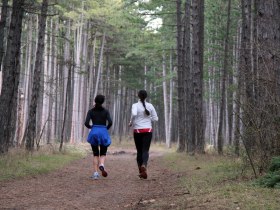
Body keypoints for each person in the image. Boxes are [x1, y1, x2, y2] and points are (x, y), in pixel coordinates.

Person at [129, 90, 158, 179]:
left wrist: (131, 122)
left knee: (139, 151)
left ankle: (141, 171)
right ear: (146, 97)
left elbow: (134, 114)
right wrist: (149, 119)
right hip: (148, 130)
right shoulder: (150, 106)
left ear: (138, 96)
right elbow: (156, 119)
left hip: (137, 130)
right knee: (145, 150)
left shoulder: (135, 105)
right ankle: (144, 165)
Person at [85, 95, 112, 180]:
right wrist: (105, 129)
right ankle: (102, 164)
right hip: (103, 131)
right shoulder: (106, 111)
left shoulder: (91, 111)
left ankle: (96, 173)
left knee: (95, 153)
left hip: (94, 132)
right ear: (103, 102)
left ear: (95, 100)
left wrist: (91, 127)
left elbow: (86, 123)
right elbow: (110, 122)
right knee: (103, 153)